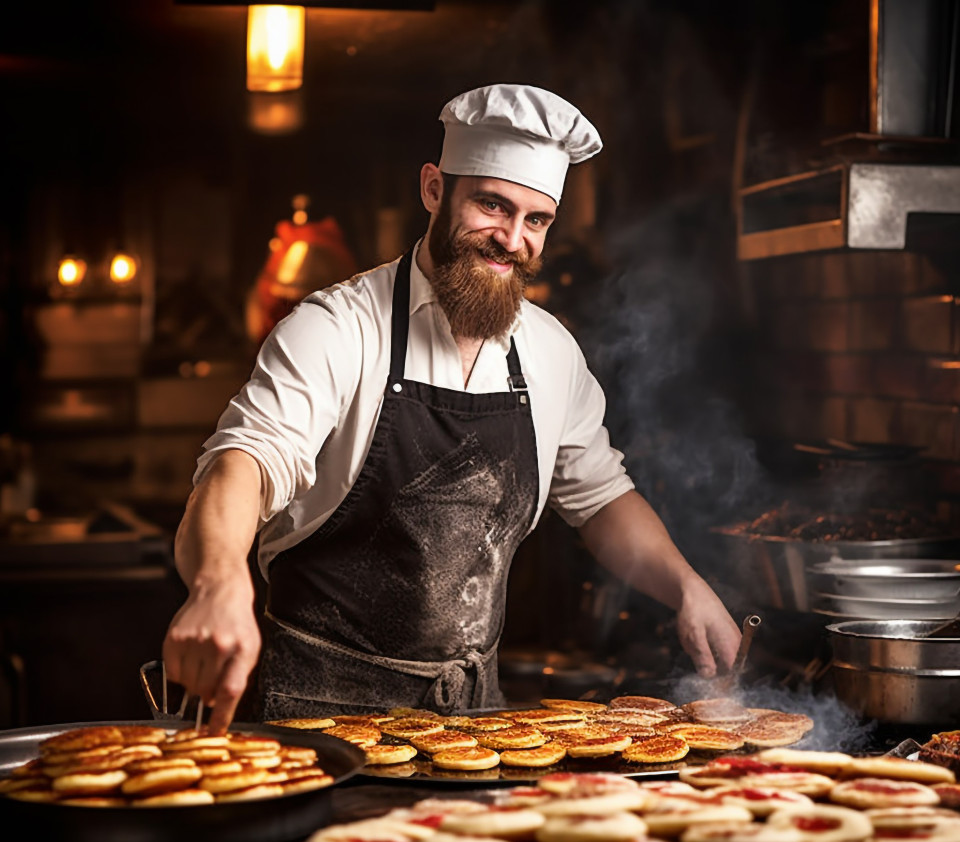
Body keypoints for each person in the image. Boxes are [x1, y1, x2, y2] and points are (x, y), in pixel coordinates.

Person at [164, 83, 742, 733]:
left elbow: (601, 498)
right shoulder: (338, 328)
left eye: (537, 220)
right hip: (316, 716)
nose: (512, 240)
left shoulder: (551, 352)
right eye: (492, 205)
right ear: (435, 189)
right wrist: (218, 583)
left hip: (473, 723)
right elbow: (244, 462)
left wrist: (686, 586)